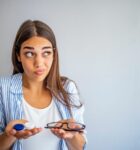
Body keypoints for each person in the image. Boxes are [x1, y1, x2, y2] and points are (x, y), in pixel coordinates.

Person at [0, 20, 86, 150]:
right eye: (29, 53)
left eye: (46, 53)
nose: (39, 63)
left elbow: (80, 147)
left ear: (54, 55)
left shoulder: (67, 88)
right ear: (18, 55)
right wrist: (10, 135)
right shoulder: (2, 88)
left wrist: (72, 136)